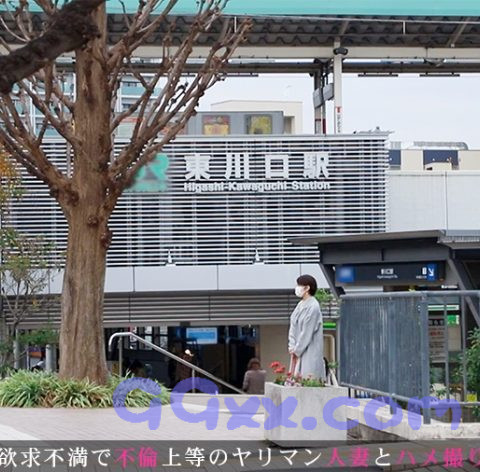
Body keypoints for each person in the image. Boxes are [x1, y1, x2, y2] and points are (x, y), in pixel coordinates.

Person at [288, 274, 326, 381]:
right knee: (296, 379)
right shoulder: (300, 304)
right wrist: (292, 345)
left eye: (299, 285)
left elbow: (307, 332)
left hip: (309, 350)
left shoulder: (313, 307)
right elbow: (293, 325)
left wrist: (297, 350)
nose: (297, 288)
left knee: (308, 378)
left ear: (307, 288)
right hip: (297, 350)